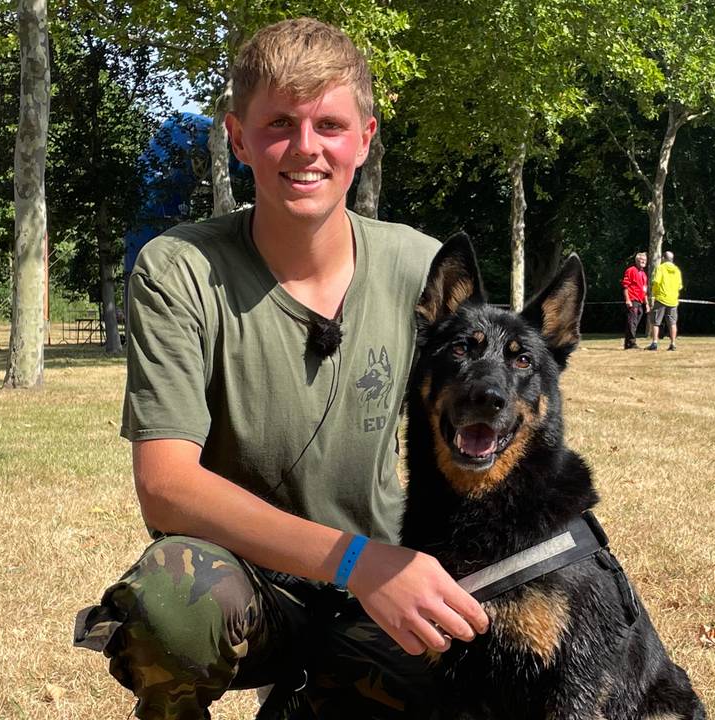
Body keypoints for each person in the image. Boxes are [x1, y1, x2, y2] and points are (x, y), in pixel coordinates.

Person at [72, 18, 488, 720]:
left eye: (329, 124)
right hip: (250, 585)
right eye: (278, 125)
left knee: (487, 667)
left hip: (378, 589)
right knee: (175, 598)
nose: (305, 149)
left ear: (365, 137)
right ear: (238, 138)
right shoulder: (181, 270)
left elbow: (489, 418)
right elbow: (165, 487)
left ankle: (314, 697)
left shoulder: (422, 268)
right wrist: (355, 559)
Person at [647, 250, 683, 351]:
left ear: (663, 258)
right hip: (673, 300)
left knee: (655, 321)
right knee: (672, 322)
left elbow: (656, 282)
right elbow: (680, 286)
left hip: (661, 298)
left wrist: (653, 295)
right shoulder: (677, 270)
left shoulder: (660, 268)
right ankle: (673, 343)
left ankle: (654, 343)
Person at [621, 251, 650, 349]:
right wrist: (627, 300)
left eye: (645, 260)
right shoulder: (631, 270)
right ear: (637, 260)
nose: (643, 262)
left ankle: (628, 342)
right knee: (632, 321)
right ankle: (631, 343)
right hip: (632, 299)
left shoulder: (644, 274)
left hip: (640, 301)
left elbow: (644, 290)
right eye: (641, 260)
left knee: (634, 322)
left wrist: (647, 304)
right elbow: (625, 286)